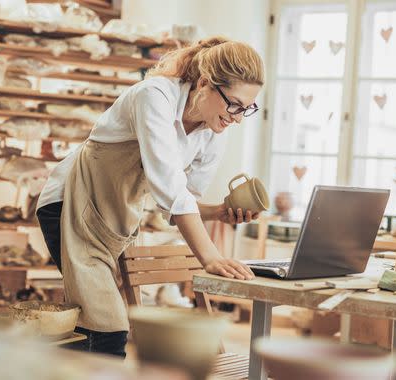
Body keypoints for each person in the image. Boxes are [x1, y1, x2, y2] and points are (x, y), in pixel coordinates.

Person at [36, 36, 264, 358]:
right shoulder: (154, 96)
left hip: (111, 222)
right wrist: (211, 257)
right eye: (234, 104)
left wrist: (219, 212)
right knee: (105, 328)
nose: (237, 117)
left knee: (95, 325)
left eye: (247, 108)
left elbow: (179, 201)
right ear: (205, 83)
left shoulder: (213, 133)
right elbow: (171, 190)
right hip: (68, 206)